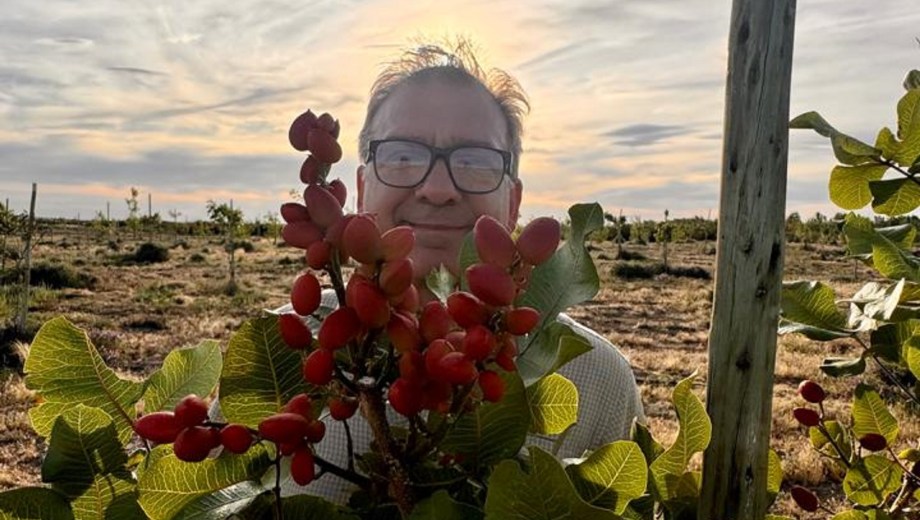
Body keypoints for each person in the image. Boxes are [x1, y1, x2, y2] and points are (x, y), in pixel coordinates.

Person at [273, 39, 645, 502]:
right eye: (403, 156)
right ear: (363, 190)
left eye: (473, 161)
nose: (436, 188)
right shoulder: (278, 350)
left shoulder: (599, 381)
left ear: (513, 202)